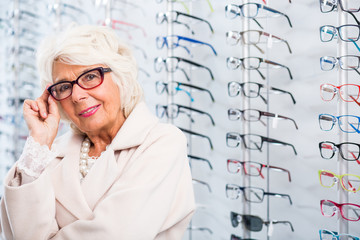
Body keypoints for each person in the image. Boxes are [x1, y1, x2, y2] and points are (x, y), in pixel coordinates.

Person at [0, 24, 195, 239]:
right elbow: (16, 231)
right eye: (64, 86)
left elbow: (116, 234)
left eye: (90, 77)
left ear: (121, 77)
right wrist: (40, 141)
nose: (77, 96)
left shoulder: (162, 143)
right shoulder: (44, 158)